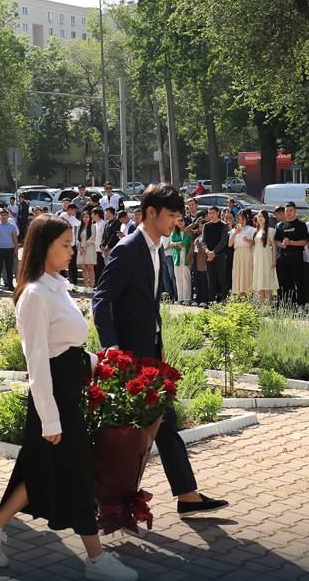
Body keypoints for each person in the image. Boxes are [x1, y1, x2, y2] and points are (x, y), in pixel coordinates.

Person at [0, 214, 138, 581]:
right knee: (74, 473)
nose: (72, 249)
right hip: (54, 399)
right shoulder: (34, 295)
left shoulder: (57, 286)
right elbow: (38, 363)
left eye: (72, 243)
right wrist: (50, 418)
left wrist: (96, 362)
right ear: (44, 248)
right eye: (65, 244)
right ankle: (96, 558)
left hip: (66, 388)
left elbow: (66, 347)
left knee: (41, 470)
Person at [93, 183, 228, 518]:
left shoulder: (156, 249)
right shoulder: (128, 248)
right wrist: (111, 349)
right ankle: (110, 501)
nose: (175, 222)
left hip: (149, 352)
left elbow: (147, 306)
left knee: (163, 425)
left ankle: (185, 494)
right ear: (150, 212)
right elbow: (101, 299)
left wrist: (158, 343)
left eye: (178, 216)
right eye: (171, 215)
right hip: (127, 358)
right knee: (126, 434)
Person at [273, 202, 308, 307]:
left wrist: (291, 243)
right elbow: (276, 241)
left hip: (296, 257)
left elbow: (305, 241)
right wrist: (282, 244)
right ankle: (289, 304)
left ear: (295, 211)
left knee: (299, 282)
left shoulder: (301, 225)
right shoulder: (281, 225)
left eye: (291, 211)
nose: (288, 213)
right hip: (284, 258)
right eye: (286, 211)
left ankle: (301, 304)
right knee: (285, 283)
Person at [201, 206, 229, 303]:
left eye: (213, 213)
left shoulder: (223, 225)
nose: (211, 215)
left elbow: (223, 241)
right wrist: (208, 251)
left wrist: (214, 252)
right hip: (208, 256)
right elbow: (203, 241)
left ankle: (225, 300)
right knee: (211, 279)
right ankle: (212, 301)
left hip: (220, 256)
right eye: (209, 213)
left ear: (217, 213)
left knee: (222, 278)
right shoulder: (206, 226)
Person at [0, 208, 19, 292]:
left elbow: (15, 239)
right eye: (2, 215)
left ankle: (10, 285)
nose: (4, 217)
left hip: (10, 249)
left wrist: (16, 249)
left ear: (8, 216)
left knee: (9, 268)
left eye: (5, 215)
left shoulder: (12, 226)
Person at [252, 210, 277, 304]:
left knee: (267, 279)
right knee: (259, 279)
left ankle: (268, 303)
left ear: (266, 218)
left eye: (262, 216)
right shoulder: (255, 231)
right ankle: (262, 302)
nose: (260, 218)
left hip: (266, 255)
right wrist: (252, 260)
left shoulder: (271, 230)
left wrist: (274, 260)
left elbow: (273, 246)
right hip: (257, 256)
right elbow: (253, 246)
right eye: (258, 216)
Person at [230, 208, 255, 298]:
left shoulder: (251, 229)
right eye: (238, 218)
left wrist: (248, 241)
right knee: (238, 273)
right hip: (237, 253)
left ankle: (248, 293)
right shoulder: (234, 230)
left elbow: (253, 244)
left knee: (246, 273)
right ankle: (238, 294)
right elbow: (230, 244)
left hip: (247, 252)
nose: (239, 220)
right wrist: (235, 233)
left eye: (241, 218)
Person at [169, 213, 193, 303]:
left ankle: (187, 298)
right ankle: (180, 298)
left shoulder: (189, 231)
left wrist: (177, 244)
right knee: (178, 277)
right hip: (177, 257)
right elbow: (171, 244)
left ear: (185, 221)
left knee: (186, 276)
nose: (180, 222)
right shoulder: (174, 232)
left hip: (186, 256)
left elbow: (185, 243)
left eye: (181, 220)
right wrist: (178, 244)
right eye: (178, 221)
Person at [76, 209, 98, 294]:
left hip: (89, 248)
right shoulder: (79, 227)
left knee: (90, 267)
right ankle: (86, 286)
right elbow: (77, 239)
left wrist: (84, 248)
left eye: (87, 217)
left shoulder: (93, 226)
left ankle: (91, 286)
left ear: (90, 218)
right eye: (84, 217)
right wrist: (80, 247)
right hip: (81, 248)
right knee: (83, 268)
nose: (85, 218)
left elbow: (92, 238)